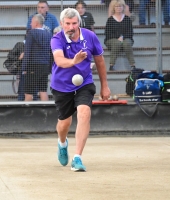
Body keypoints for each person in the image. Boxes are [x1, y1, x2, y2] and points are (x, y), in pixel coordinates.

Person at [50, 8, 110, 171]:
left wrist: (104, 85)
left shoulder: (90, 36)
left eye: (74, 23)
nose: (71, 27)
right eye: (67, 24)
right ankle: (62, 143)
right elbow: (60, 60)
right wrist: (74, 61)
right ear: (62, 24)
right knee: (64, 123)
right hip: (62, 84)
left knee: (84, 112)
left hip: (84, 82)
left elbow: (100, 60)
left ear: (79, 23)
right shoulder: (57, 39)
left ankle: (77, 157)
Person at [22, 14, 51, 101]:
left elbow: (27, 52)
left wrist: (24, 68)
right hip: (45, 65)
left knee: (28, 91)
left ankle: (27, 113)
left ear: (36, 23)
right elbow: (51, 51)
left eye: (31, 22)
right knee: (43, 90)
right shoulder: (48, 34)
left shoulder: (31, 33)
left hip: (33, 65)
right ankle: (47, 112)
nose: (30, 24)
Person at [104, 0, 135, 71]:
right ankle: (112, 65)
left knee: (127, 43)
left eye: (120, 6)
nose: (119, 8)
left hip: (125, 39)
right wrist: (118, 38)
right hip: (112, 40)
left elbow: (130, 32)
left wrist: (122, 37)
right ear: (114, 8)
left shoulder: (127, 19)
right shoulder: (110, 20)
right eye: (117, 6)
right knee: (116, 43)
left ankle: (132, 65)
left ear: (123, 7)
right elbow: (108, 33)